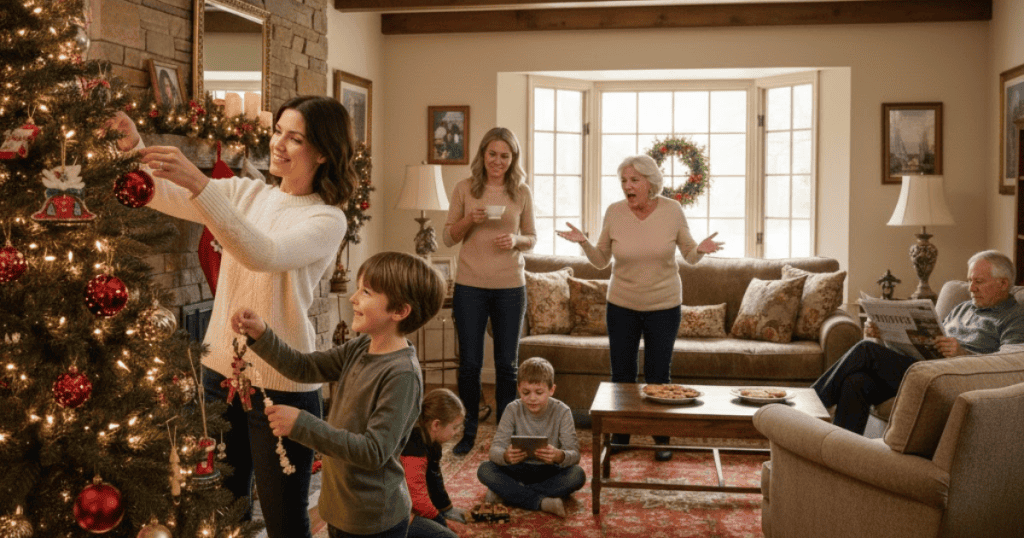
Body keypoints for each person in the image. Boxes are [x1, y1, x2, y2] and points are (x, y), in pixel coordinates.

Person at [109, 96, 357, 538]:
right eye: (278, 130)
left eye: (294, 137)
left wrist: (201, 186)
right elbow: (164, 195)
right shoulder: (247, 192)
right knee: (222, 513)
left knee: (283, 521)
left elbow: (263, 253)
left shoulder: (328, 219)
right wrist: (132, 149)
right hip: (218, 373)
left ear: (322, 151)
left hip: (283, 385)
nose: (278, 143)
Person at [231, 252, 448, 538]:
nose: (353, 298)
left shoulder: (402, 375)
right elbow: (305, 367)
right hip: (340, 508)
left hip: (372, 518)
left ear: (399, 311)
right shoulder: (360, 348)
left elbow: (373, 452)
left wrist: (303, 425)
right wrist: (262, 335)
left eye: (366, 292)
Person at [556, 154, 723, 461]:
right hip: (621, 305)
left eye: (634, 180)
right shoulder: (615, 212)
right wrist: (583, 241)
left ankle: (661, 439)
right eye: (623, 181)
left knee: (659, 375)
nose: (627, 186)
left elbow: (689, 255)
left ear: (650, 183)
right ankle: (621, 435)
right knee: (622, 374)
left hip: (664, 305)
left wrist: (701, 248)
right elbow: (601, 260)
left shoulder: (672, 211)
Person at [813, 250, 1024, 434]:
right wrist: (884, 334)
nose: (971, 288)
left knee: (866, 350)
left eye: (979, 282)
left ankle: (807, 406)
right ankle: (839, 450)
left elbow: (1009, 366)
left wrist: (962, 354)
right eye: (969, 281)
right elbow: (928, 340)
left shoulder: (1015, 318)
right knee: (856, 382)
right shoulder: (963, 308)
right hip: (922, 368)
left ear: (1003, 284)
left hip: (951, 379)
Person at [443, 127, 537, 455]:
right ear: (483, 154)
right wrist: (470, 219)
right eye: (492, 154)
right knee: (469, 364)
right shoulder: (465, 188)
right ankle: (468, 430)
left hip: (511, 286)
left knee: (507, 365)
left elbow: (532, 237)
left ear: (513, 160)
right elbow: (448, 237)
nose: (498, 161)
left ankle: (504, 431)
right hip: (470, 286)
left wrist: (516, 241)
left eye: (505, 156)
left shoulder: (521, 191)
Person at [477, 357, 585, 518]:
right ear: (518, 388)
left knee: (577, 475)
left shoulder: (563, 411)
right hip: (517, 469)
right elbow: (494, 451)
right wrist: (506, 456)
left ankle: (507, 494)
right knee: (484, 469)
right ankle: (543, 502)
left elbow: (574, 455)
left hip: (549, 471)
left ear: (551, 390)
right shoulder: (512, 409)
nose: (532, 398)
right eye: (525, 392)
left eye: (539, 392)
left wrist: (559, 455)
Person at [401, 388, 471, 538]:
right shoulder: (415, 446)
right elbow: (417, 499)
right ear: (436, 425)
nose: (457, 432)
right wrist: (442, 523)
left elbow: (434, 478)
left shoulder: (432, 442)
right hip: (392, 513)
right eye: (455, 427)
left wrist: (446, 509)